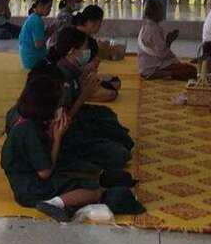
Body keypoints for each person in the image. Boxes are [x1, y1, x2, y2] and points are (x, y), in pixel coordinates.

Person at [1, 74, 144, 223]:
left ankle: (66, 199)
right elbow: (45, 172)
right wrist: (57, 137)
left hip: (30, 180)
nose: (59, 109)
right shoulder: (28, 130)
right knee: (93, 191)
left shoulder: (29, 121)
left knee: (88, 174)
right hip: (31, 189)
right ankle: (54, 203)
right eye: (57, 105)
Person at [30, 27, 134, 171]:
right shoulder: (60, 77)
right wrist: (84, 95)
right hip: (64, 133)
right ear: (72, 51)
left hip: (74, 120)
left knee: (110, 120)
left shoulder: (70, 68)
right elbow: (63, 122)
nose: (88, 52)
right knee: (121, 154)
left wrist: (83, 85)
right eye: (85, 48)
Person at [137, 0, 197, 80]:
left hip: (144, 67)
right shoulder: (154, 30)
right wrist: (169, 41)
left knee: (185, 68)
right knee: (191, 70)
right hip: (152, 68)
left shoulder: (146, 26)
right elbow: (162, 54)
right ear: (155, 14)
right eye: (161, 11)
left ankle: (167, 74)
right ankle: (166, 74)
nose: (163, 13)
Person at [73, 4, 120, 101]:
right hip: (72, 81)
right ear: (91, 22)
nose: (100, 27)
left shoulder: (90, 40)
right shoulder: (71, 35)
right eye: (99, 24)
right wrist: (85, 69)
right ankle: (80, 95)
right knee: (111, 94)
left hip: (85, 78)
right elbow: (65, 66)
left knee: (116, 83)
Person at [19, 0, 54, 70]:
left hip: (27, 58)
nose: (49, 10)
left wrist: (46, 32)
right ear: (40, 5)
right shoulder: (37, 21)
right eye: (48, 7)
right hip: (33, 60)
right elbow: (39, 45)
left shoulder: (33, 17)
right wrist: (48, 33)